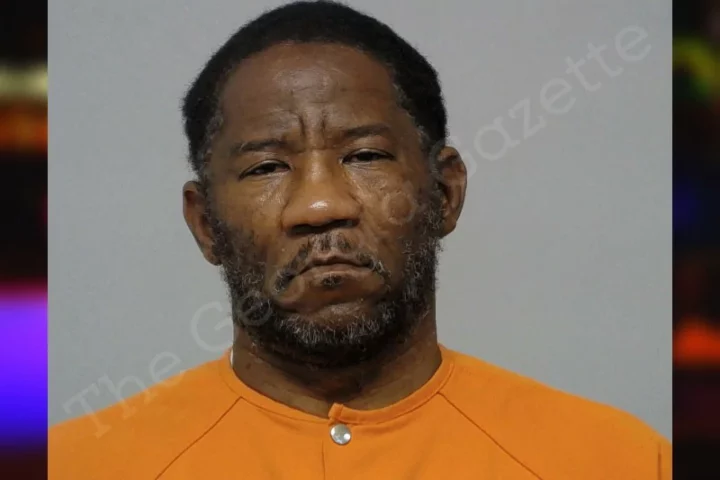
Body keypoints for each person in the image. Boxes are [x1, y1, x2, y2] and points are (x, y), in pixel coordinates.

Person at [49, 2, 671, 478]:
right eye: (266, 167)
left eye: (365, 155)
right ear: (205, 223)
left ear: (445, 192)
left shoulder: (618, 460)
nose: (320, 205)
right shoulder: (78, 464)